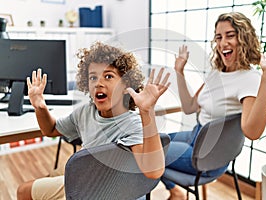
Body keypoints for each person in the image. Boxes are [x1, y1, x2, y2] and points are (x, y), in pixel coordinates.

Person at [161, 12, 266, 200]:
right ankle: (175, 191)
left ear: (244, 38)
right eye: (219, 37)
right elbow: (189, 107)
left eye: (230, 35)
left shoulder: (249, 78)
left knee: (145, 152)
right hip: (196, 136)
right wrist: (179, 71)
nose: (222, 42)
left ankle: (174, 191)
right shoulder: (217, 72)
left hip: (209, 156)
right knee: (152, 141)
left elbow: (252, 132)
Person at [17, 41, 171, 200]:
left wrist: (147, 112)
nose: (98, 83)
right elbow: (50, 130)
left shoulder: (132, 124)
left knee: (26, 190)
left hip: (109, 192)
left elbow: (153, 171)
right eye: (93, 77)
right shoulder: (85, 112)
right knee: (36, 184)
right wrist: (40, 107)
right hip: (88, 182)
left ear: (127, 85)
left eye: (108, 76)